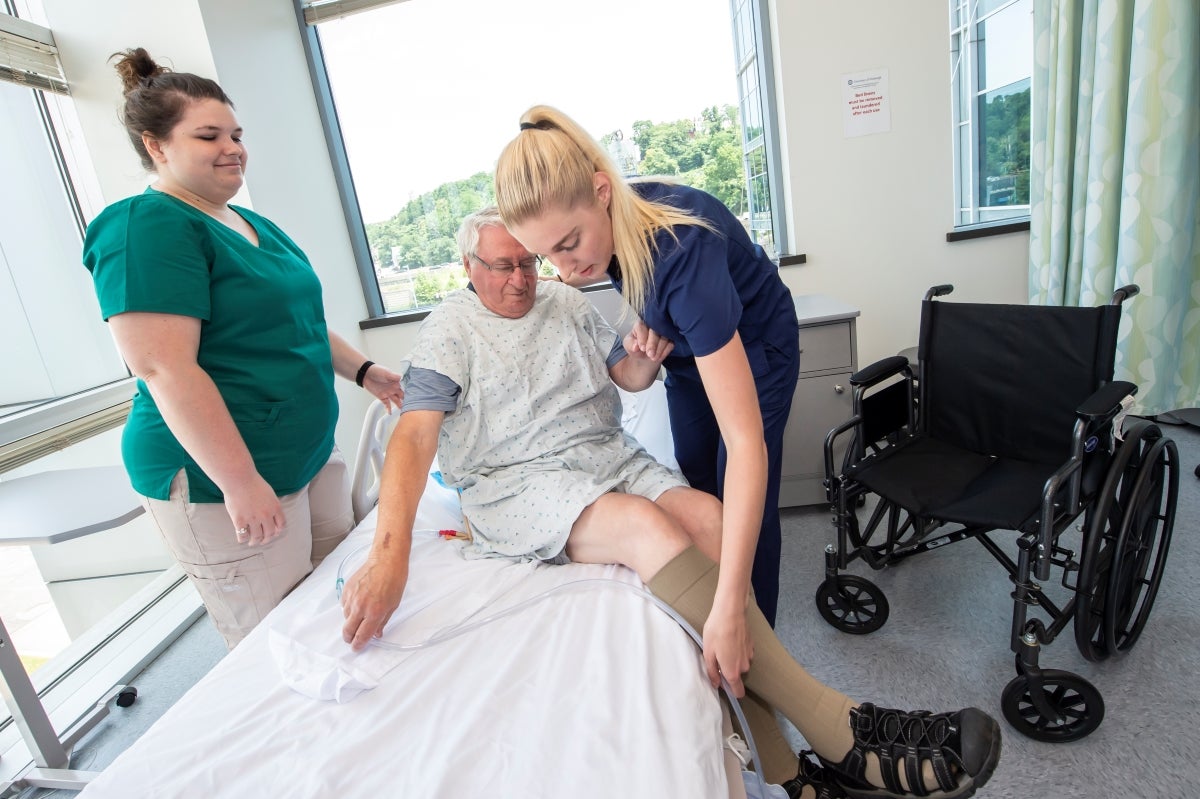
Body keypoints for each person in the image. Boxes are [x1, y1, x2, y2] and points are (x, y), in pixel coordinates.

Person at [340, 210, 1001, 799]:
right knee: (641, 525)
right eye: (502, 266)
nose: (520, 279)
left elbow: (623, 376)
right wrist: (388, 557)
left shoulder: (565, 303)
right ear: (468, 266)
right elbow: (414, 435)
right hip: (517, 480)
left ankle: (796, 780)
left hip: (603, 455)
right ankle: (842, 731)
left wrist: (645, 358)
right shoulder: (450, 328)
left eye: (528, 263)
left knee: (713, 521)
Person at [82, 48, 404, 650]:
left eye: (236, 133)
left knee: (341, 603)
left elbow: (298, 322)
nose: (232, 147)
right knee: (281, 642)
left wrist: (363, 372)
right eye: (209, 135)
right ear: (156, 146)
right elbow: (163, 367)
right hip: (225, 478)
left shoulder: (248, 223)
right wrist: (241, 483)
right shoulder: (145, 227)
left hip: (305, 455)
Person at [494, 106, 799, 631]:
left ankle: (755, 632)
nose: (565, 273)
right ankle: (714, 600)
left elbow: (747, 444)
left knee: (743, 487)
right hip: (689, 356)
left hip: (756, 349)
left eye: (568, 246)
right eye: (547, 257)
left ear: (602, 191)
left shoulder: (682, 251)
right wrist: (647, 319)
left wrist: (729, 612)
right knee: (697, 476)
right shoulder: (607, 225)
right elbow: (642, 282)